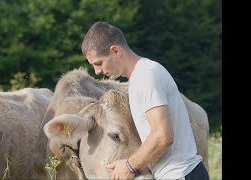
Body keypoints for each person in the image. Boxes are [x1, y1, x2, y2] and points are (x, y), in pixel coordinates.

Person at [81, 21, 209, 180]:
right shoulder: (139, 78)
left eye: (99, 63)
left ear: (115, 51)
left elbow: (163, 135)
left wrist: (129, 166)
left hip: (180, 174)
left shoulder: (146, 75)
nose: (97, 71)